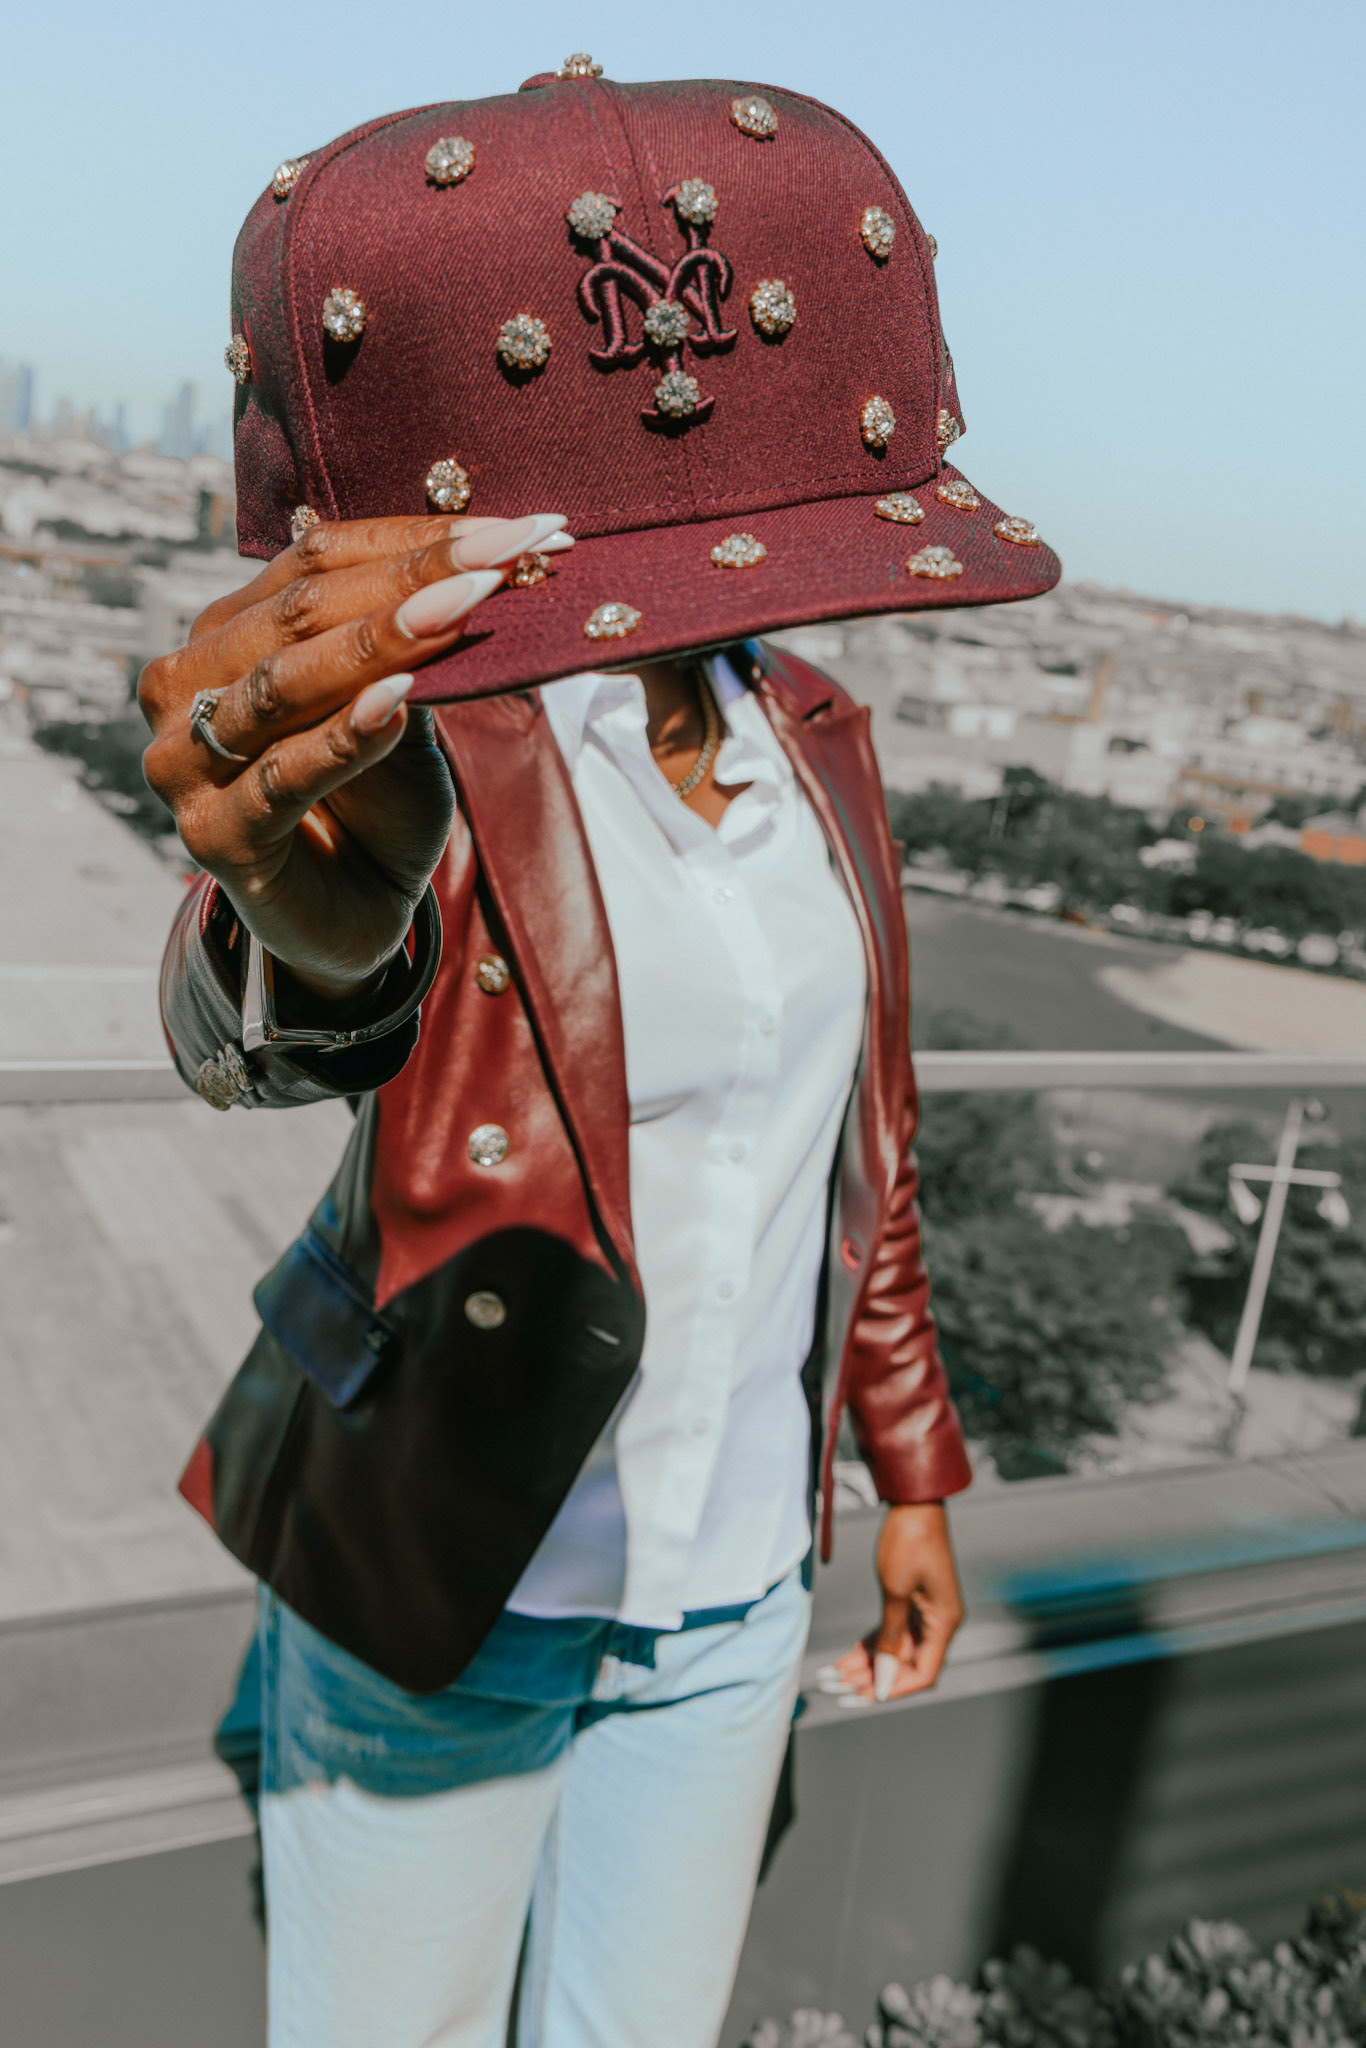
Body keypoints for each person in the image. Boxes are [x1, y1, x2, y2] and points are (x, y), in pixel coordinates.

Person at [140, 60, 1059, 2048]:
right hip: (446, 1572)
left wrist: (911, 1471)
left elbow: (865, 1149)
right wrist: (292, 940)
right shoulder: (432, 728)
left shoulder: (815, 734)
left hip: (736, 1594)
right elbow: (269, 1009)